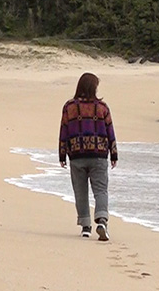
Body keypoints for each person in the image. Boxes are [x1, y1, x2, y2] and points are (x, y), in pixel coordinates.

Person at [59, 72, 118, 241]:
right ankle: (102, 221)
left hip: (77, 155)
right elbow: (110, 131)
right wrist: (114, 153)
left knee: (80, 191)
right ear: (94, 88)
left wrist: (62, 154)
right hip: (99, 154)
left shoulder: (69, 107)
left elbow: (64, 131)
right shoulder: (102, 108)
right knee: (101, 190)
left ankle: (85, 226)